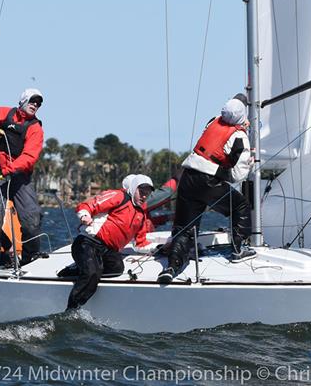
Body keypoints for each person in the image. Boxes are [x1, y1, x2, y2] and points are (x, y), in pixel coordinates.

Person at [158, 95, 253, 284]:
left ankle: (171, 267)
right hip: (207, 181)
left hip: (187, 176)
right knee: (240, 206)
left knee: (184, 228)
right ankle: (238, 249)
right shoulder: (240, 136)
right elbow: (236, 176)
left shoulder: (212, 121)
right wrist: (248, 164)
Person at [0, 88, 45, 268]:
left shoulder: (35, 128)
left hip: (18, 176)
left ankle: (31, 257)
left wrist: (6, 171)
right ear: (23, 101)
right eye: (32, 101)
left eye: (38, 103)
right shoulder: (3, 113)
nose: (35, 105)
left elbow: (29, 158)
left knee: (32, 216)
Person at [65, 175, 155, 310]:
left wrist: (161, 247)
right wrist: (84, 215)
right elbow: (87, 205)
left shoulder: (141, 214)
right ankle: (72, 309)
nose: (144, 196)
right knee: (92, 274)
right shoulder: (119, 196)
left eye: (147, 194)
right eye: (141, 192)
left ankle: (82, 268)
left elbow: (140, 244)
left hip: (108, 249)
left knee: (117, 268)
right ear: (133, 188)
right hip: (88, 242)